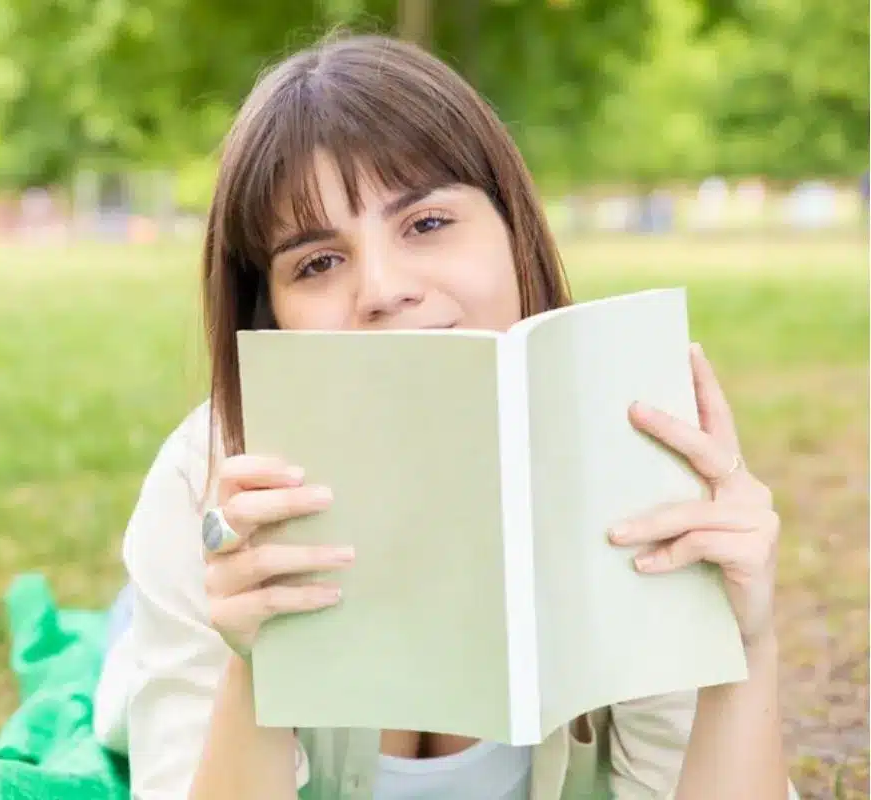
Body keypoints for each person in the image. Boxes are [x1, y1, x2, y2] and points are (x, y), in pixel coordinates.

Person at [91, 34, 798, 800]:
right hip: (182, 615)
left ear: (514, 231)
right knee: (129, 657)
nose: (383, 290)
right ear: (272, 315)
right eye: (318, 262)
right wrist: (251, 664)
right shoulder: (207, 486)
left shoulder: (638, 462)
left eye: (426, 223)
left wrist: (742, 645)